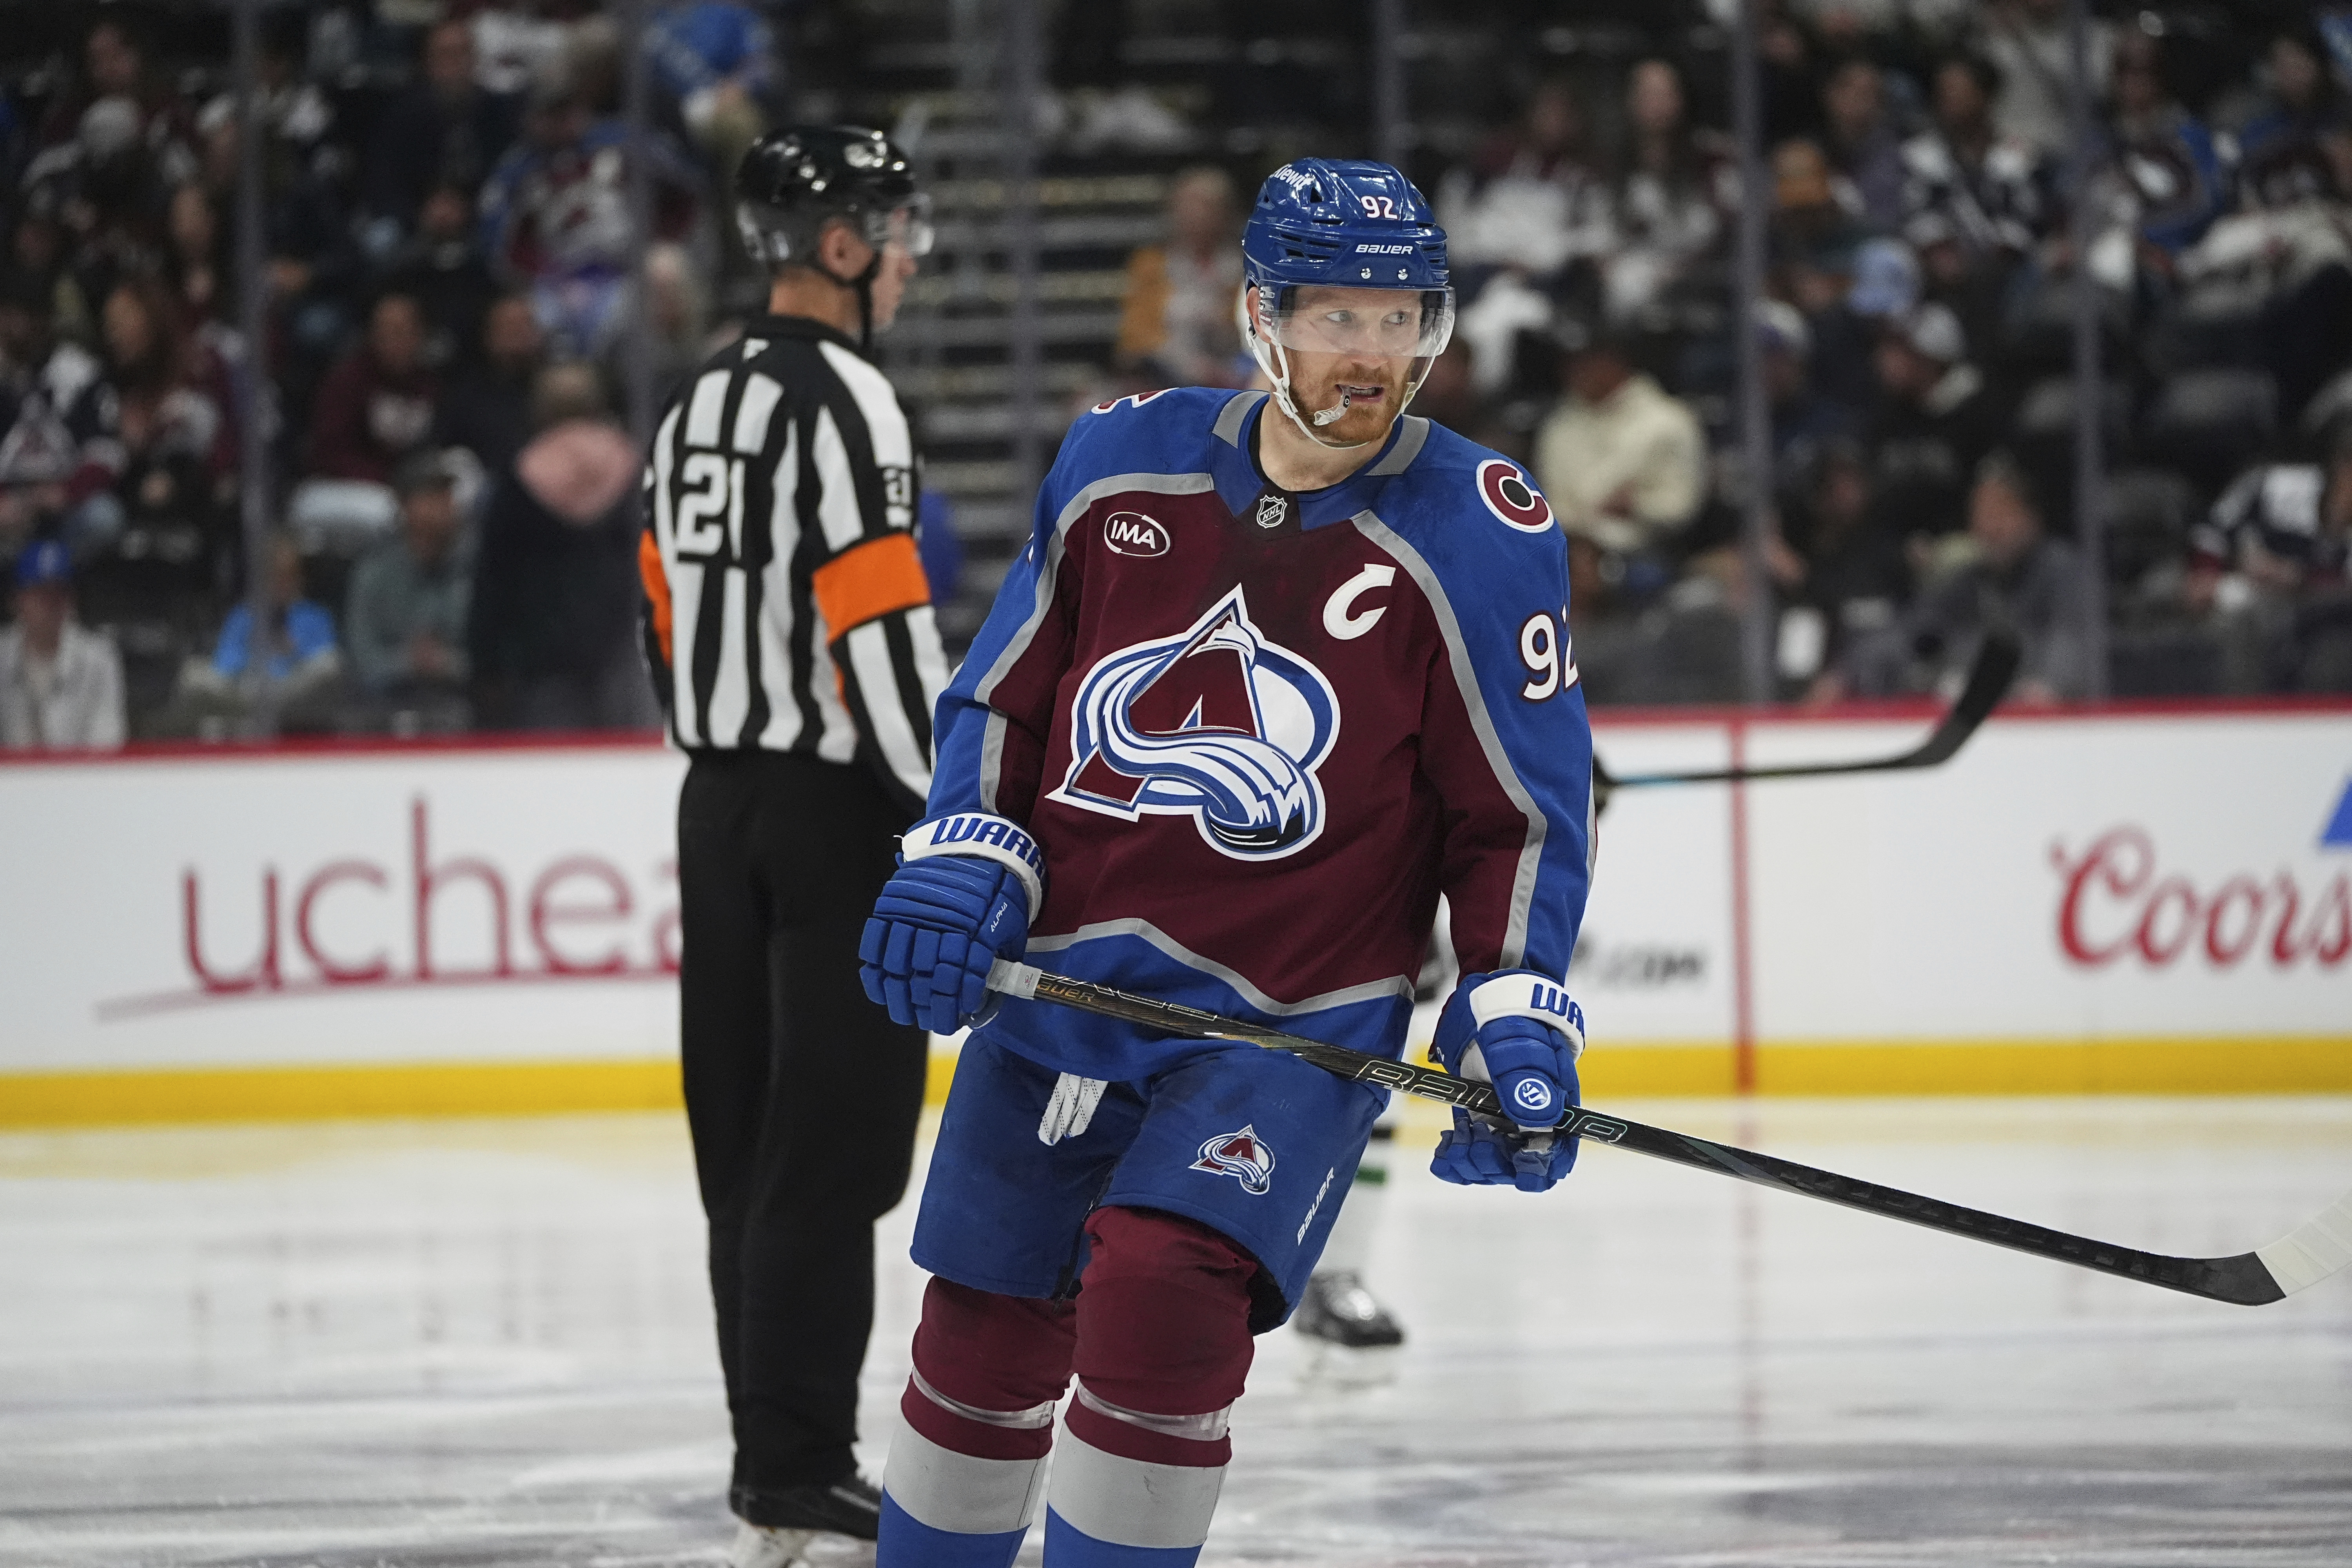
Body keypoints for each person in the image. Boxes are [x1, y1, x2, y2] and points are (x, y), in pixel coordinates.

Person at [860, 158, 1594, 1566]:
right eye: (1339, 317)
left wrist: (1509, 998)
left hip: (1286, 1018)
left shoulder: (1477, 526)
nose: (1372, 354)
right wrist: (969, 842)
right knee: (983, 1322)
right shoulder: (1117, 459)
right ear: (1261, 316)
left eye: (1399, 320)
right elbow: (1008, 693)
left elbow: (1519, 812)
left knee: (1159, 1297)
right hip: (1060, 985)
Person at [636, 126, 947, 1568]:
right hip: (837, 815)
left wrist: (720, 752)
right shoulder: (851, 402)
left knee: (748, 1149)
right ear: (835, 247)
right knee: (831, 1153)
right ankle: (804, 1464)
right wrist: (953, 811)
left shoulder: (694, 399)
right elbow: (877, 630)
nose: (902, 252)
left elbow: (660, 612)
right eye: (888, 225)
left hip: (716, 805)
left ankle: (771, 1458)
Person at [466, 362, 653, 731]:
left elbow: (494, 581)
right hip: (625, 649)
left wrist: (485, 663)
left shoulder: (518, 481)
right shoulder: (636, 471)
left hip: (543, 656)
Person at [345, 450, 473, 729]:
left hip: (462, 708)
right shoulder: (374, 574)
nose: (446, 505)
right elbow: (362, 660)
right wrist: (410, 662)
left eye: (448, 495)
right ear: (406, 506)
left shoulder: (476, 571)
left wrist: (445, 663)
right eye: (433, 496)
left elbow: (493, 661)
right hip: (384, 711)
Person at [0, 540, 124, 750]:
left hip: (79, 777)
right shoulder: (3, 654)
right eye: (41, 593)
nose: (52, 604)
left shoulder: (98, 657)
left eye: (60, 593)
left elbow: (107, 740)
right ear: (18, 600)